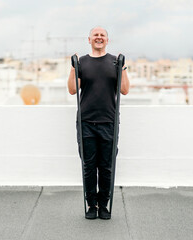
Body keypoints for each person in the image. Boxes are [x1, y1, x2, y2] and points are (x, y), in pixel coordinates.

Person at [68, 26, 130, 220]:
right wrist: (73, 68)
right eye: (96, 35)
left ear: (107, 40)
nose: (99, 37)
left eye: (102, 35)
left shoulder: (114, 61)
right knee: (88, 166)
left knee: (106, 167)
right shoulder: (82, 62)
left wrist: (123, 67)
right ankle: (91, 205)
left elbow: (125, 90)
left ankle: (103, 204)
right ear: (89, 39)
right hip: (86, 122)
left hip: (109, 122)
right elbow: (72, 90)